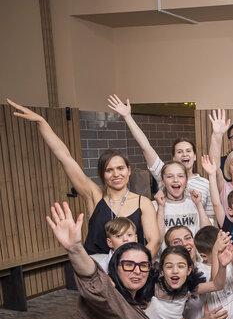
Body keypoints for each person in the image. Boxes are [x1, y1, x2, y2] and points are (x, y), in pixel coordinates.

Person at [10, 100, 160, 256]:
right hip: (96, 267)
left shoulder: (143, 203)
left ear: (128, 171)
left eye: (120, 168)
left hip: (132, 267)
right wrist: (42, 122)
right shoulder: (94, 195)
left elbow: (154, 241)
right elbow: (65, 158)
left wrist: (136, 264)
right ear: (102, 175)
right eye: (109, 170)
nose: (116, 174)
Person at [107, 95, 216, 225]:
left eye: (188, 151)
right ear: (174, 158)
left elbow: (211, 219)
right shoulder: (163, 173)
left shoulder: (205, 183)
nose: (184, 154)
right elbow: (146, 147)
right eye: (179, 152)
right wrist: (127, 117)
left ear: (195, 156)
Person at [153, 161, 211, 241]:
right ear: (163, 182)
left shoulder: (194, 205)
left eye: (180, 176)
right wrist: (160, 207)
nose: (175, 180)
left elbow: (208, 236)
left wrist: (199, 205)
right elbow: (157, 241)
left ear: (186, 181)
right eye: (170, 176)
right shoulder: (154, 206)